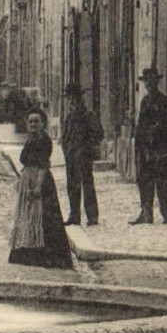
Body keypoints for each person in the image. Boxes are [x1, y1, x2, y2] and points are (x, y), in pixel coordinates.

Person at [9, 108, 75, 269]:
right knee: (29, 218)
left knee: (44, 218)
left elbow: (43, 165)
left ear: (42, 124)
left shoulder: (44, 140)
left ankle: (46, 257)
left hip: (41, 182)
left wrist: (38, 186)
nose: (33, 124)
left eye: (36, 121)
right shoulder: (31, 139)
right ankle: (28, 254)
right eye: (30, 121)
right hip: (28, 181)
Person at [132, 67, 167, 224]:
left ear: (156, 82)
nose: (149, 84)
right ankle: (146, 213)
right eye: (146, 81)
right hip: (147, 151)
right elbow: (140, 127)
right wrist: (140, 147)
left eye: (151, 81)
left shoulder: (165, 102)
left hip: (160, 150)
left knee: (162, 182)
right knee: (145, 181)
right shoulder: (145, 102)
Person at [60, 82, 103, 226]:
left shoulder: (88, 115)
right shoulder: (69, 117)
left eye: (73, 98)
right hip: (71, 156)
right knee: (72, 185)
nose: (71, 101)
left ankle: (92, 216)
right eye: (69, 98)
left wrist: (87, 148)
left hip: (83, 156)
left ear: (79, 99)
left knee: (87, 185)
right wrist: (66, 149)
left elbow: (98, 133)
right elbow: (65, 135)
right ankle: (74, 215)